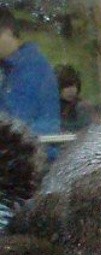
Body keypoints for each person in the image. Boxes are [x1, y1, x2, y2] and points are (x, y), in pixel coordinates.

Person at [0, 5, 60, 160]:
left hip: (34, 161)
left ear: (7, 32)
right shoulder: (8, 69)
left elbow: (17, 124)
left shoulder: (31, 68)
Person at [56, 64, 98, 133]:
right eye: (66, 86)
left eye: (73, 86)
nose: (71, 90)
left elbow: (88, 126)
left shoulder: (82, 106)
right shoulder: (52, 106)